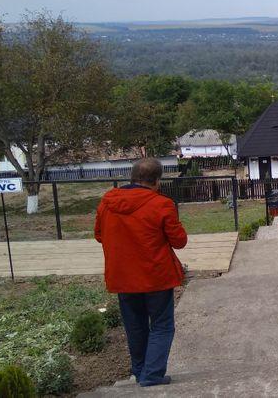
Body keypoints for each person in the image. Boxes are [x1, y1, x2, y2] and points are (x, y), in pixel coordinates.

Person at [94, 158, 188, 387]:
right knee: (162, 325)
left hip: (123, 276)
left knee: (134, 325)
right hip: (155, 275)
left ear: (132, 177)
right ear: (157, 181)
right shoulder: (161, 204)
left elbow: (98, 234)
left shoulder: (107, 202)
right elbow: (179, 241)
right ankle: (152, 375)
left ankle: (140, 371)